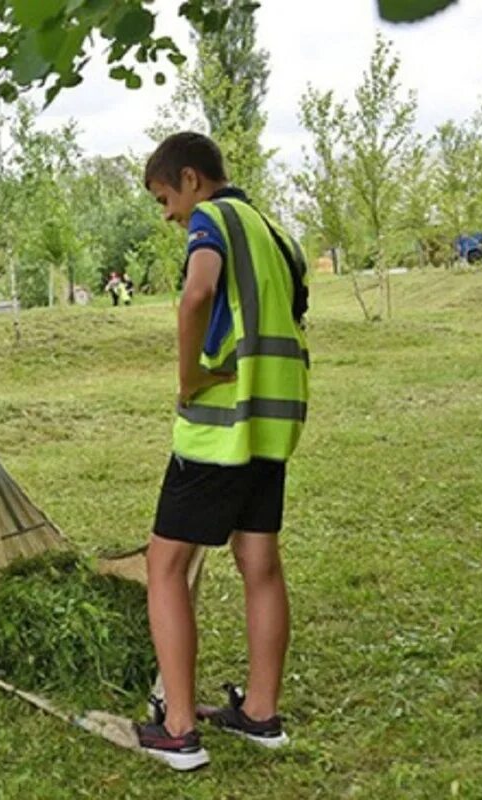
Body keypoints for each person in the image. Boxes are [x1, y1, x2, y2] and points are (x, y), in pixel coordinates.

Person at [135, 132, 309, 770]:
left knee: (164, 567)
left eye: (165, 198)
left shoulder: (211, 219)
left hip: (219, 423)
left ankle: (178, 728)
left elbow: (198, 294)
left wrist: (187, 376)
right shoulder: (273, 231)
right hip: (273, 420)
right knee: (258, 560)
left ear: (190, 179)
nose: (169, 214)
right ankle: (261, 713)